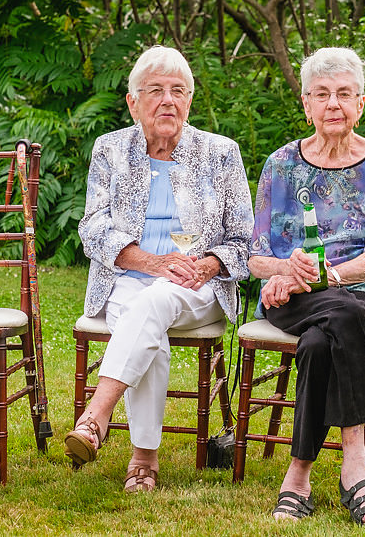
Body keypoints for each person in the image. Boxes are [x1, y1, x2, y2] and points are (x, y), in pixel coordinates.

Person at [65, 45, 253, 491]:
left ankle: (97, 417)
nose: (167, 100)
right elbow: (92, 228)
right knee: (145, 310)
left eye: (178, 91)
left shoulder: (220, 153)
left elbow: (245, 242)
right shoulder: (110, 150)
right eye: (155, 90)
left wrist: (206, 266)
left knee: (159, 299)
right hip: (127, 281)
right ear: (133, 102)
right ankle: (143, 460)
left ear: (190, 100)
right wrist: (151, 262)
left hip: (199, 287)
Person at [249, 47, 365, 527]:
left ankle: (298, 476)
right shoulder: (280, 166)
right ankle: (355, 469)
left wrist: (329, 277)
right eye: (322, 95)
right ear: (306, 104)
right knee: (332, 318)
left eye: (343, 94)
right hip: (296, 297)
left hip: (362, 292)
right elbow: (254, 256)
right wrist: (282, 270)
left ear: (360, 104)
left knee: (326, 336)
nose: (333, 105)